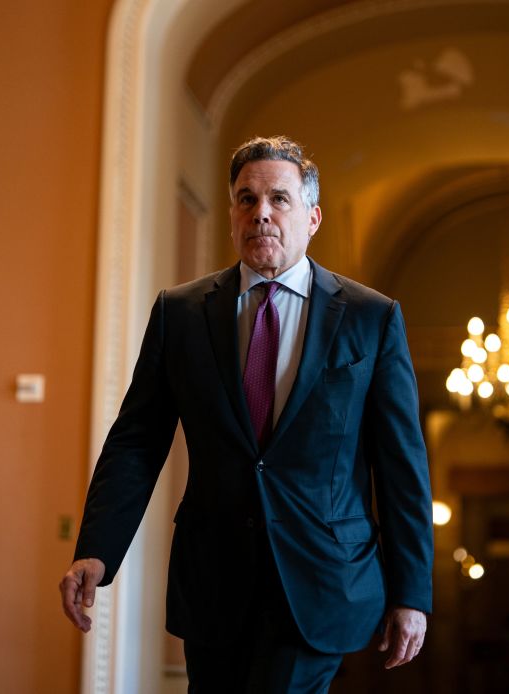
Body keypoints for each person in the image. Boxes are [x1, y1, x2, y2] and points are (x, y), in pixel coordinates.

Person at [59, 136, 433, 692]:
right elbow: (138, 439)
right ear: (232, 214)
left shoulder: (370, 318)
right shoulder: (180, 313)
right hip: (213, 577)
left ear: (312, 216)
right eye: (246, 199)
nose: (261, 213)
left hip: (321, 575)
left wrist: (412, 592)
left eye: (279, 199)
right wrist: (97, 548)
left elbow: (401, 463)